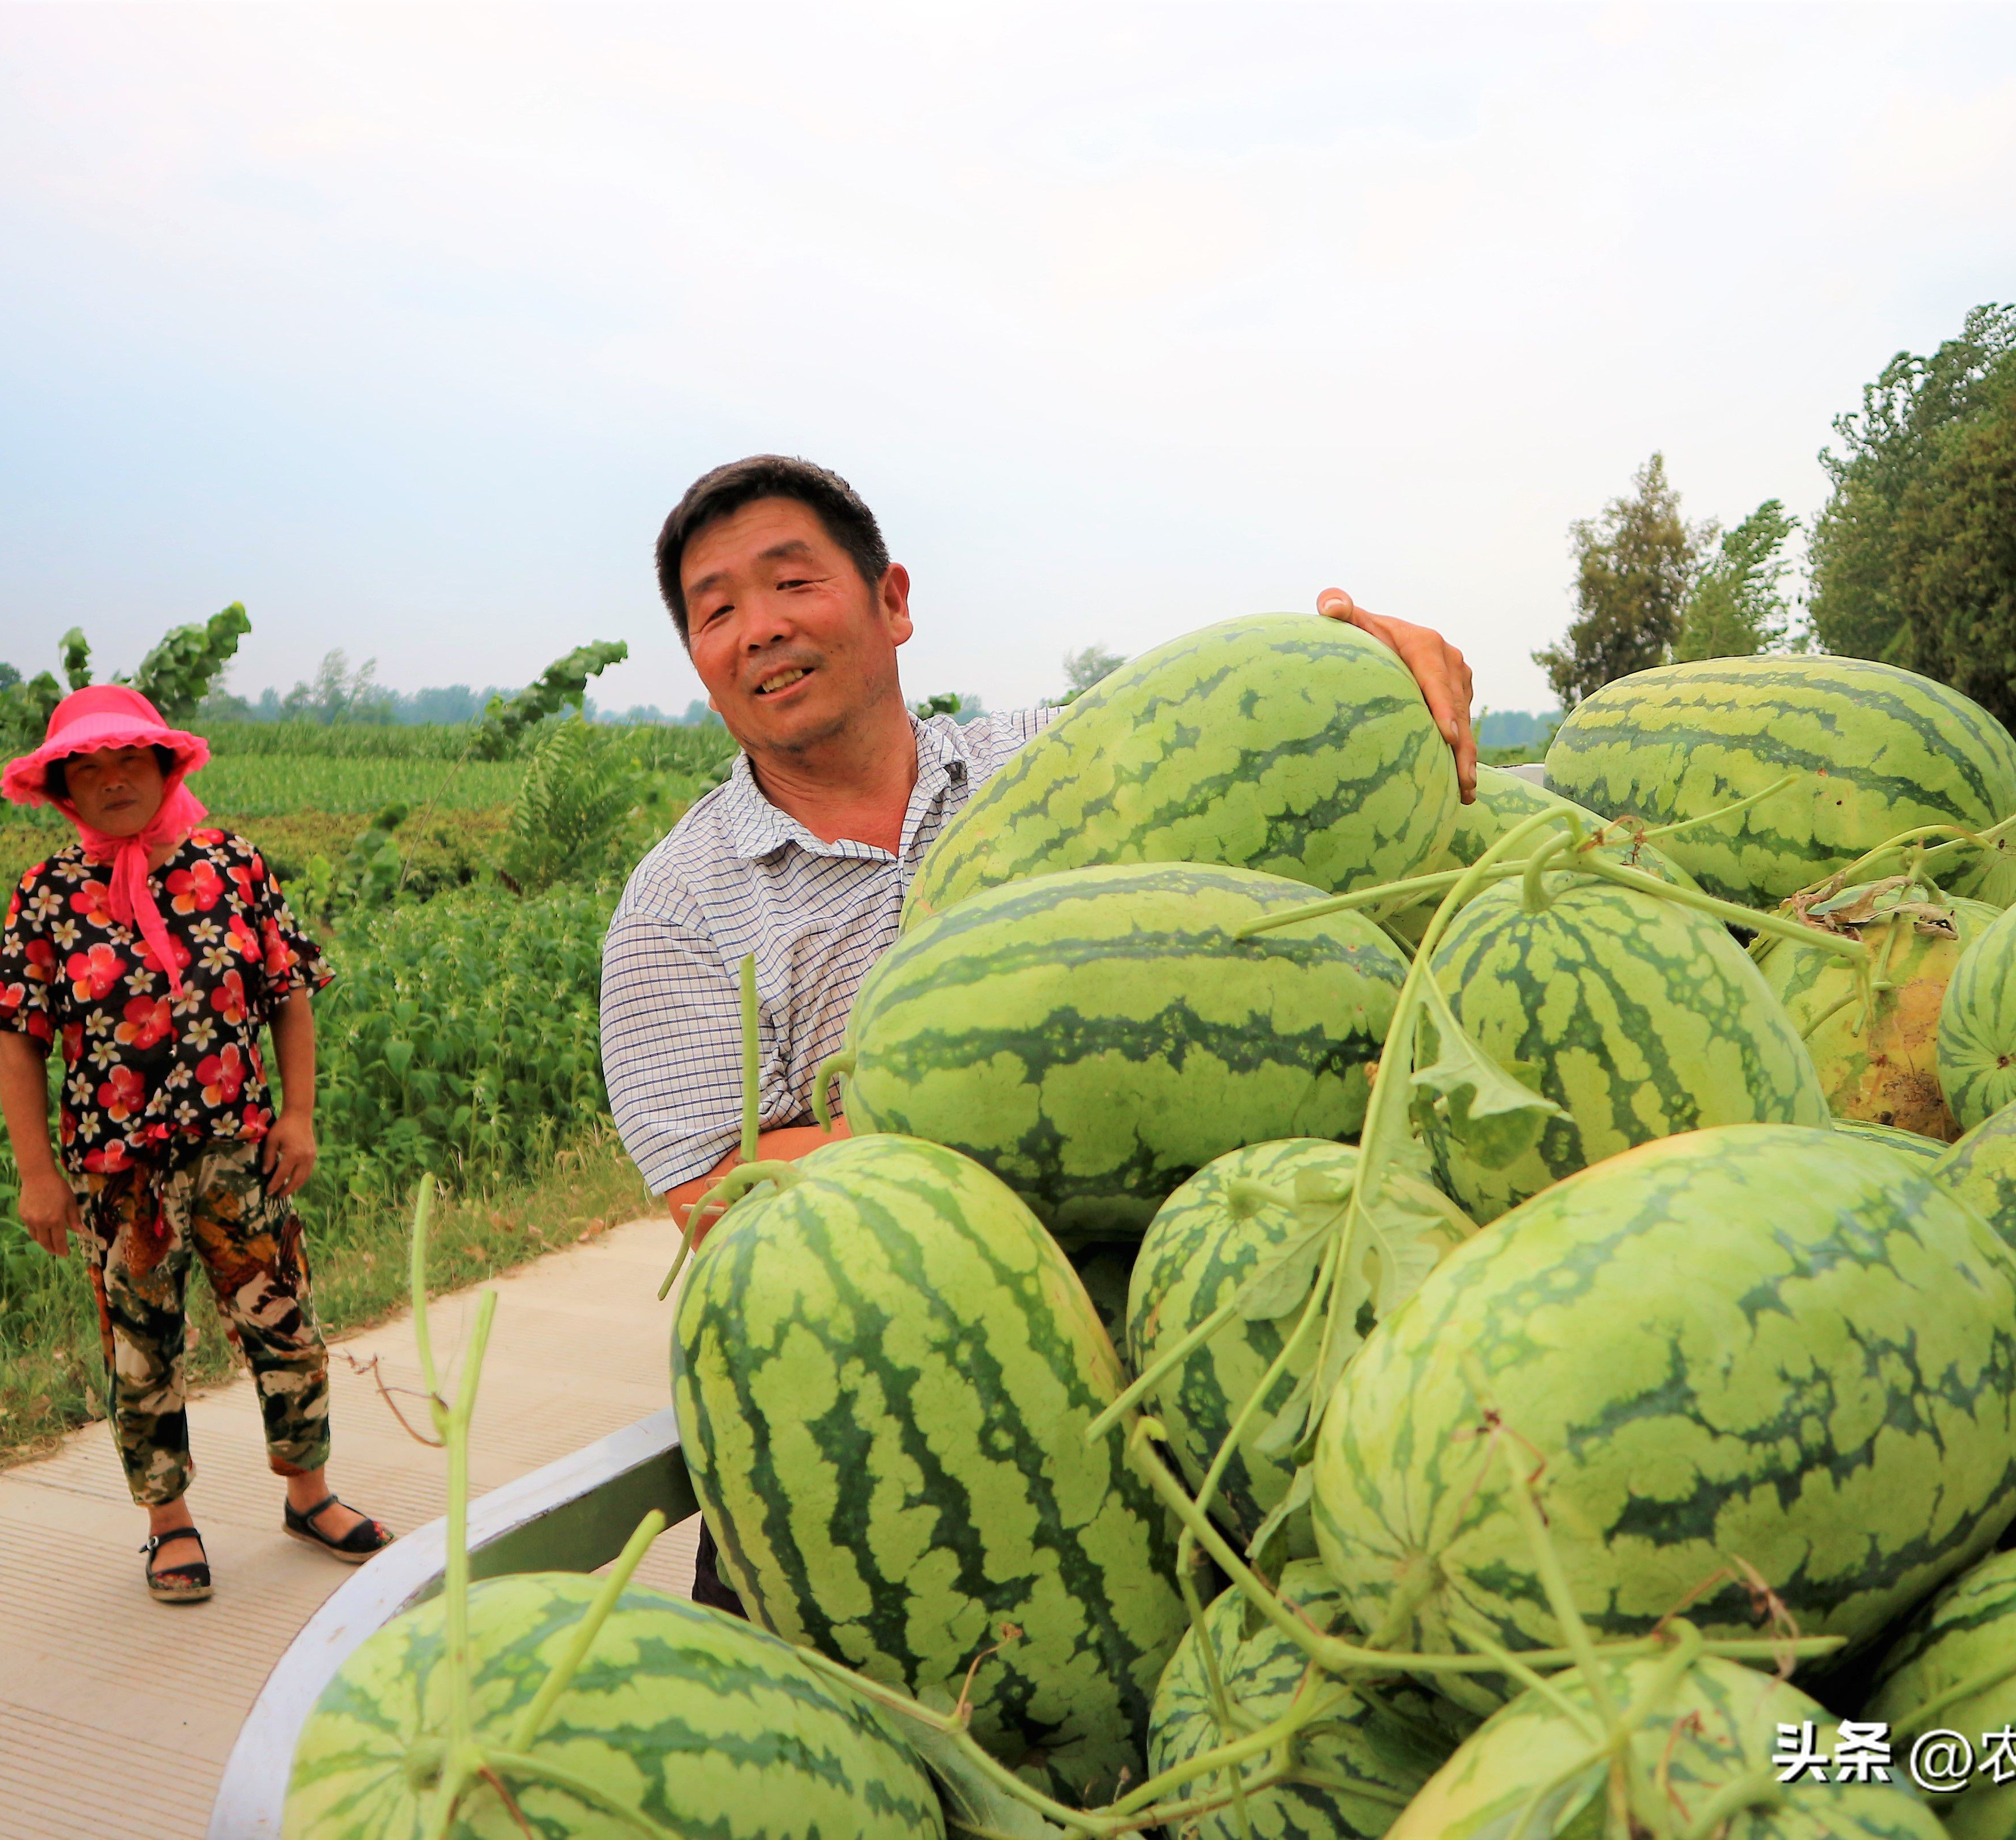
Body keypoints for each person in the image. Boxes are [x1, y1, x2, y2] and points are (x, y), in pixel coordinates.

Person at [599, 453, 1476, 1609]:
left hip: (1160, 1359)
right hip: (887, 1433)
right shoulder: (677, 904)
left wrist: (1375, 657)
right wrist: (984, 1095)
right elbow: (717, 1195)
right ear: (702, 667)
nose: (759, 628)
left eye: (793, 582)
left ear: (892, 602)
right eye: (716, 612)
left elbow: (1245, 738)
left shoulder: (1045, 764)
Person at [0, 685, 392, 1604]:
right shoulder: (49, 895)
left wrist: (298, 1114)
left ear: (166, 766)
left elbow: (288, 992)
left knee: (286, 1325)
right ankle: (168, 1522)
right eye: (89, 768)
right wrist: (37, 1174)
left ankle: (310, 1495)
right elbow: (19, 1038)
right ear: (63, 790)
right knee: (142, 1350)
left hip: (239, 1154)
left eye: (131, 759)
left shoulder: (232, 866)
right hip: (116, 1172)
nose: (113, 780)